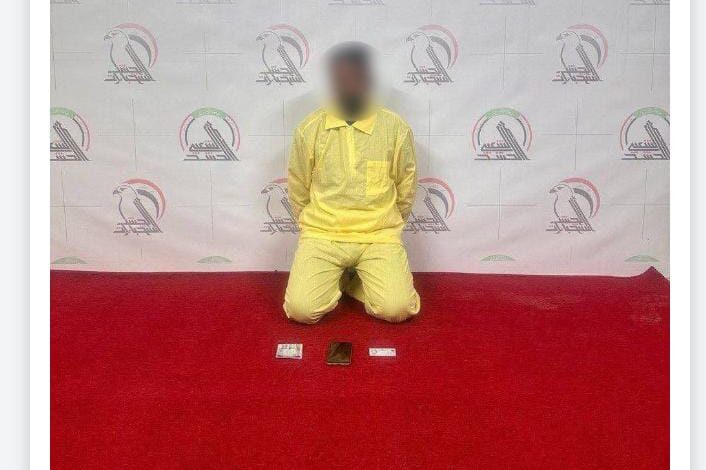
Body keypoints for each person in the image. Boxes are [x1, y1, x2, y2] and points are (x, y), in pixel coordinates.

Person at [283, 41, 420, 324]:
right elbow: (298, 187)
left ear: (368, 80)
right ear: (332, 82)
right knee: (301, 310)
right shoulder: (310, 129)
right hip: (323, 234)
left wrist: (388, 224)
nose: (349, 86)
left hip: (378, 236)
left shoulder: (395, 128)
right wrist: (312, 224)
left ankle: (352, 280)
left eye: (356, 77)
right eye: (341, 79)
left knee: (396, 309)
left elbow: (405, 187)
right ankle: (342, 278)